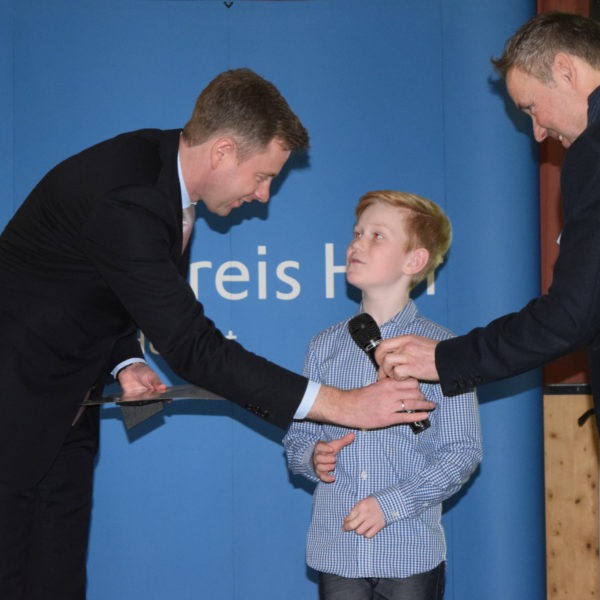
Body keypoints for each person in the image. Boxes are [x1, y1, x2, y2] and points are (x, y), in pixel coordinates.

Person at [0, 68, 434, 599]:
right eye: (262, 176)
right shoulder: (129, 196)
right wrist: (344, 405)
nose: (264, 195)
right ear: (223, 151)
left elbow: (98, 286)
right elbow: (194, 348)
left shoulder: (158, 177)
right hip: (14, 405)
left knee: (56, 580)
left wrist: (123, 360)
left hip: (66, 409)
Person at [376, 12, 600, 434]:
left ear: (566, 71)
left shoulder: (594, 151)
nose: (538, 132)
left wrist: (444, 358)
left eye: (531, 108)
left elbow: (573, 314)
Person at [283, 190, 482, 600]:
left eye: (377, 236)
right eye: (357, 233)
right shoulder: (323, 347)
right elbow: (297, 438)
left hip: (409, 551)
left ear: (414, 261)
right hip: (338, 550)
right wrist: (312, 457)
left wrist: (390, 505)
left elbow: (462, 452)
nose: (357, 244)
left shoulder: (444, 351)